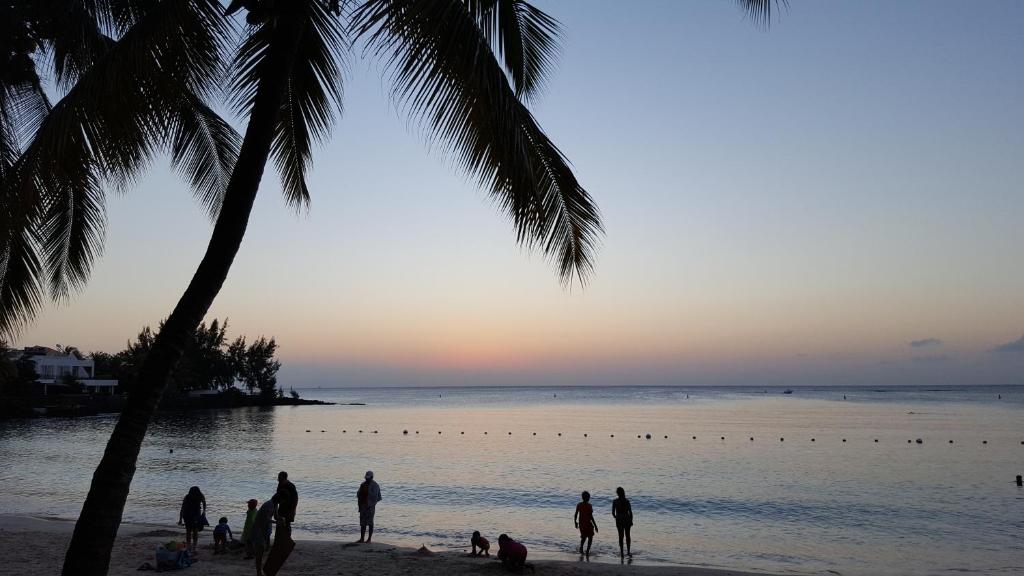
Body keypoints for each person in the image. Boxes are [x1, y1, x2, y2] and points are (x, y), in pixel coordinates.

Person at [251, 497, 277, 576]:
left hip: (265, 530)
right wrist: (276, 522)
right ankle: (258, 573)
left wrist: (279, 519)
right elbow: (266, 519)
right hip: (259, 530)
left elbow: (275, 515)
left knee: (261, 551)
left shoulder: (275, 504)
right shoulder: (268, 505)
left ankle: (260, 572)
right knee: (259, 553)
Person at [177, 486, 206, 554]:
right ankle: (194, 547)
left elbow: (182, 508)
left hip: (187, 515)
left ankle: (189, 546)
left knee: (188, 531)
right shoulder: (200, 496)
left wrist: (180, 519)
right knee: (195, 531)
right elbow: (204, 503)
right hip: (195, 515)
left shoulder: (187, 496)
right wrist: (204, 511)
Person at [357, 470, 382, 543]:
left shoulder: (375, 485)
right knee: (362, 523)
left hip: (370, 506)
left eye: (368, 478)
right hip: (363, 506)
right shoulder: (363, 484)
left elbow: (377, 497)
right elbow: (358, 494)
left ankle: (369, 539)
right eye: (366, 478)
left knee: (370, 523)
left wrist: (371, 504)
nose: (366, 479)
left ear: (371, 477)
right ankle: (362, 539)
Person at [574, 490, 597, 555]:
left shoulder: (579, 505)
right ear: (588, 498)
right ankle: (587, 550)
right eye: (589, 497)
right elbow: (591, 517)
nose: (589, 498)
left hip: (582, 524)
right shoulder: (589, 506)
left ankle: (581, 548)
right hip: (588, 524)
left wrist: (575, 522)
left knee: (584, 537)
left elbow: (575, 514)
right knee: (590, 537)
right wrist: (595, 525)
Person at [611, 487, 633, 558]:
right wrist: (631, 520)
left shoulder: (615, 501)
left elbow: (613, 513)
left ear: (617, 493)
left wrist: (616, 517)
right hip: (626, 519)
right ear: (623, 492)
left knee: (621, 536)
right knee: (628, 536)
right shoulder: (627, 501)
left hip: (619, 519)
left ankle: (622, 552)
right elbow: (630, 512)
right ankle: (628, 552)